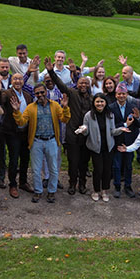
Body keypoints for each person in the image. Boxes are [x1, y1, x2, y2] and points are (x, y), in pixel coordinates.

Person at [11, 84, 71, 203]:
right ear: (35, 94)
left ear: (46, 92)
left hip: (52, 141)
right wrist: (17, 111)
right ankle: (38, 191)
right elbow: (21, 122)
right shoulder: (31, 107)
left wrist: (65, 107)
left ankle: (51, 191)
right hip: (36, 141)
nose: (40, 95)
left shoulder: (55, 105)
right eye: (37, 93)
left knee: (53, 169)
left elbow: (65, 119)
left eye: (42, 92)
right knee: (36, 169)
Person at [46, 57, 92, 195]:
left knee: (84, 163)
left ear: (88, 85)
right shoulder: (72, 93)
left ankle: (82, 184)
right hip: (72, 134)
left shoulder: (92, 99)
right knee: (73, 162)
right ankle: (72, 184)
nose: (83, 85)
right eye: (81, 83)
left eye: (85, 83)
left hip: (86, 136)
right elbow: (60, 85)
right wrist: (50, 71)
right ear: (77, 84)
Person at [75, 93, 128, 202]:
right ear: (94, 103)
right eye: (97, 102)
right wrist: (83, 131)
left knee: (107, 170)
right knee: (98, 170)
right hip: (95, 147)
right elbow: (86, 133)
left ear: (105, 103)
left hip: (108, 147)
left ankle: (105, 190)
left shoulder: (110, 115)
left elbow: (112, 131)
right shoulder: (88, 116)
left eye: (102, 101)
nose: (100, 104)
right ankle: (96, 190)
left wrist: (121, 129)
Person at [0, 69, 36, 198]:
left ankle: (23, 182)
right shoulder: (6, 93)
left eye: (20, 79)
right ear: (11, 81)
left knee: (25, 158)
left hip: (25, 132)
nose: (17, 81)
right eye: (15, 79)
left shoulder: (27, 95)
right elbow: (1, 100)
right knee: (14, 159)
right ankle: (13, 184)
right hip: (12, 132)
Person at [109, 84, 140, 198]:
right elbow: (110, 126)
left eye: (123, 94)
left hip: (129, 142)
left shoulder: (132, 107)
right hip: (117, 141)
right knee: (116, 166)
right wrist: (124, 125)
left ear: (127, 94)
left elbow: (139, 125)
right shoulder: (111, 107)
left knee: (128, 165)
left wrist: (137, 118)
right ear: (116, 95)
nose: (121, 96)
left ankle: (128, 186)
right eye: (119, 94)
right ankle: (117, 187)